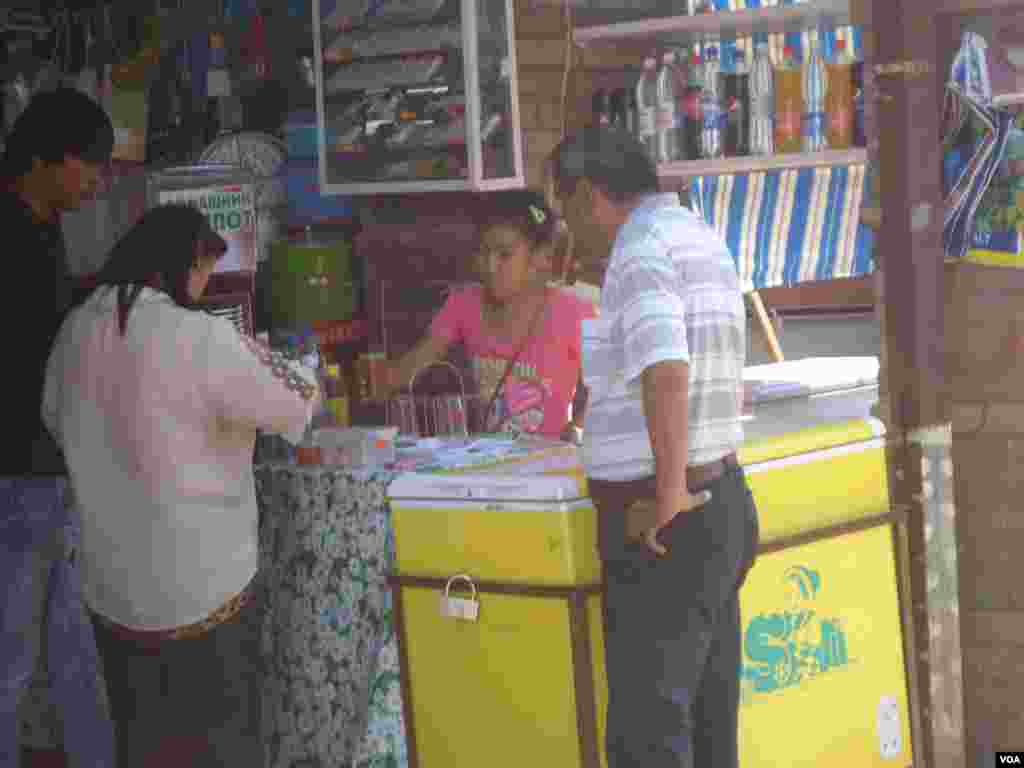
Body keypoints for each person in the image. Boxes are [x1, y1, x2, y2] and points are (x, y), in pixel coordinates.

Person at [42, 204, 319, 767]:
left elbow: (53, 417)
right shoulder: (199, 336)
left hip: (112, 595)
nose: (201, 289)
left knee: (143, 744)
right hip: (201, 591)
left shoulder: (75, 329)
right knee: (223, 746)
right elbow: (295, 401)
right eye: (201, 274)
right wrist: (300, 366)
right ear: (181, 264)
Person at [545, 126, 760, 768]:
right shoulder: (695, 234)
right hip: (718, 498)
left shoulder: (639, 250)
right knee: (707, 723)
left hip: (667, 516)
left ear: (588, 195)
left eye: (564, 211)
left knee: (648, 732)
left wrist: (667, 492)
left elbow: (666, 363)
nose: (568, 234)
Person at [0, 87, 115, 768]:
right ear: (51, 158)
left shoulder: (45, 229)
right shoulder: (11, 232)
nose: (98, 183)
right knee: (12, 656)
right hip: (14, 472)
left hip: (48, 470)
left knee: (73, 648)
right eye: (91, 165)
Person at [372, 189, 596, 440]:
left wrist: (577, 429)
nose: (489, 267)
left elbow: (608, 384)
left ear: (541, 256)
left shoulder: (573, 313)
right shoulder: (464, 303)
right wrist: (380, 381)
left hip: (552, 459)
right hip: (488, 456)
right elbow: (420, 360)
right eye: (483, 253)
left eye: (504, 255)